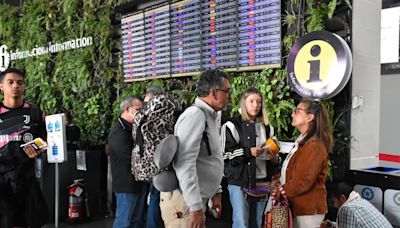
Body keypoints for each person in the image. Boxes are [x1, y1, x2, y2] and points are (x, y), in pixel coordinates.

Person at [159, 69, 230, 228]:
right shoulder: (195, 115)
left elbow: (209, 158)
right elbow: (184, 164)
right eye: (227, 91)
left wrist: (216, 191)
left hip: (192, 202)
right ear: (214, 93)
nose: (228, 96)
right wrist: (195, 207)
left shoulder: (209, 116)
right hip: (184, 204)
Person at [221, 88, 279, 228]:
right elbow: (225, 156)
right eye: (251, 101)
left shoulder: (267, 128)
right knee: (242, 223)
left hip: (262, 183)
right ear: (244, 103)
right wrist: (248, 152)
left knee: (258, 223)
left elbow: (275, 158)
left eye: (259, 102)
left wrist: (274, 159)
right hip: (239, 183)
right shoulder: (232, 125)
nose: (255, 105)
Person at [0, 68, 48, 228]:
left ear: (24, 86)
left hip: (27, 180)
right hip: (1, 181)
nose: (15, 86)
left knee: (28, 221)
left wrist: (41, 149)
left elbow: (49, 141)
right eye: (11, 82)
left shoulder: (36, 114)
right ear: (2, 86)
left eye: (20, 83)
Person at [275, 99, 333, 228]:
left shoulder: (313, 146)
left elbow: (302, 181)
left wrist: (281, 191)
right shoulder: (305, 142)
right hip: (300, 208)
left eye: (297, 111)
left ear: (310, 117)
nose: (292, 114)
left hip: (307, 210)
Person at [108, 96, 147, 228]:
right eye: (138, 110)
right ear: (126, 109)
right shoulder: (118, 132)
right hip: (126, 185)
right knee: (123, 221)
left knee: (137, 221)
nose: (141, 113)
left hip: (138, 183)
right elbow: (128, 156)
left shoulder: (135, 128)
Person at [320, 182, 393, 228]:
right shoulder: (360, 202)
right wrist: (333, 225)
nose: (335, 206)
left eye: (334, 201)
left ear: (342, 198)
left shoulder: (347, 208)